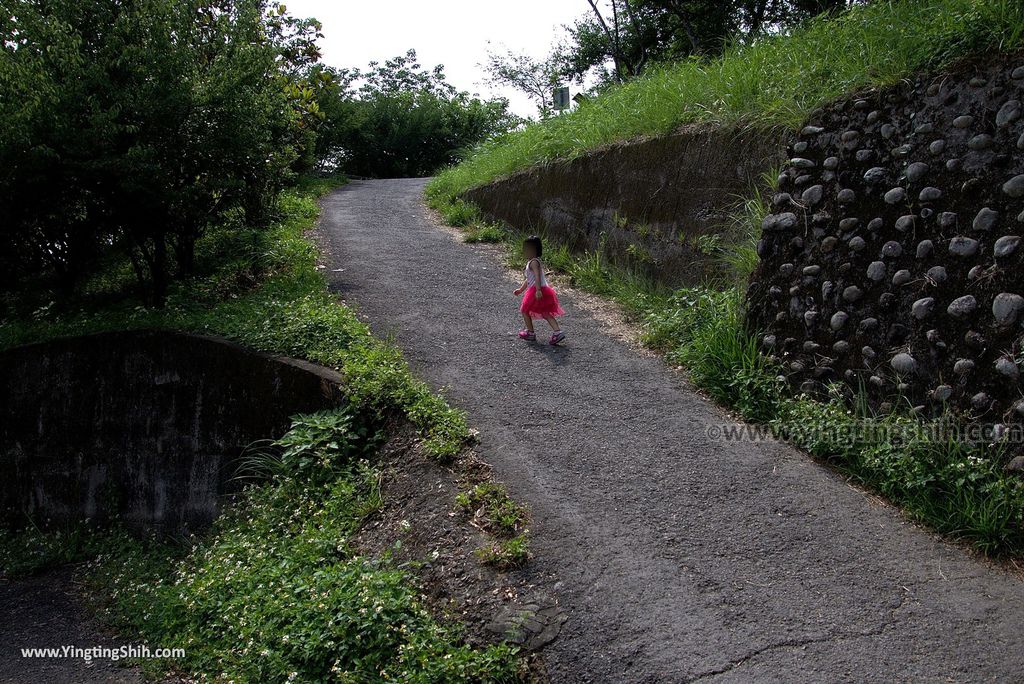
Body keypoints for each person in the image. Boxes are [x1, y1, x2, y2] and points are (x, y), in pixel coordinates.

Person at [513, 235, 565, 345]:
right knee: (545, 312)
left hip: (537, 291)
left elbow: (537, 276)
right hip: (539, 289)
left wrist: (537, 290)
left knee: (524, 310)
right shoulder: (532, 262)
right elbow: (529, 279)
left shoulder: (534, 262)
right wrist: (521, 290)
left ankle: (530, 332)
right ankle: (557, 331)